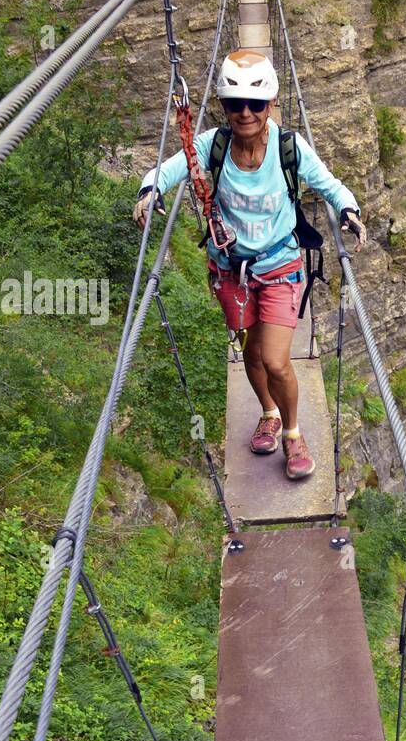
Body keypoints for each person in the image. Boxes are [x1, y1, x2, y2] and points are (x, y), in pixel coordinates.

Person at [133, 50, 367, 480]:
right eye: (234, 104)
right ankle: (269, 413)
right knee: (251, 353)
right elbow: (166, 171)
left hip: (279, 266)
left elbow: (329, 184)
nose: (245, 113)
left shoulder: (288, 148)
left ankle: (294, 434)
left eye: (255, 104)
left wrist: (348, 209)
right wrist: (151, 191)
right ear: (223, 107)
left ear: (271, 105)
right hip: (231, 271)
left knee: (276, 360)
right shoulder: (211, 146)